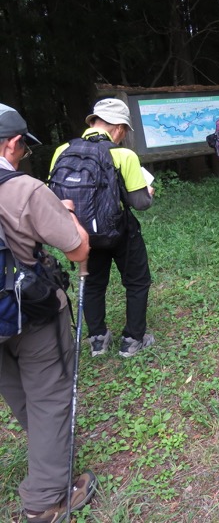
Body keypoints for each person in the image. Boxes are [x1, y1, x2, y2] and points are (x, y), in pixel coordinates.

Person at [0, 103, 98, 521]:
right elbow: (78, 248)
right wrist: (65, 218)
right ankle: (45, 500)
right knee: (50, 397)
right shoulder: (24, 189)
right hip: (29, 316)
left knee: (19, 393)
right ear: (14, 143)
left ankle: (50, 460)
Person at [50, 98, 156, 357]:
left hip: (82, 235)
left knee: (94, 283)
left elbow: (55, 197)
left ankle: (98, 339)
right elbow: (140, 203)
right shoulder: (123, 155)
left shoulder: (62, 150)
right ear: (119, 128)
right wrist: (149, 191)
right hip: (120, 233)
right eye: (125, 132)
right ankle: (133, 340)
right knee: (137, 281)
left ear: (93, 122)